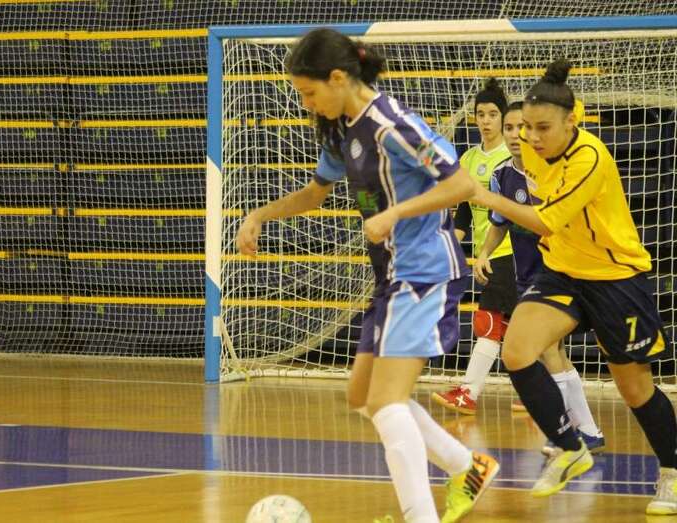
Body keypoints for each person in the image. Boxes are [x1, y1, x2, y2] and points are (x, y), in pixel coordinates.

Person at [236, 28, 498, 523]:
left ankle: (421, 515)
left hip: (425, 271)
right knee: (364, 397)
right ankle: (467, 466)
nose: (306, 104)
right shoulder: (341, 130)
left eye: (309, 93)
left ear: (338, 78)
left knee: (386, 402)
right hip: (392, 276)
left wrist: (395, 213)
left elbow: (462, 184)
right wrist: (258, 216)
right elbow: (315, 194)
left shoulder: (391, 124)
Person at [471, 59, 675, 513]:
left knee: (635, 390)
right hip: (562, 270)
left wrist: (482, 194)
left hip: (614, 277)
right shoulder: (532, 147)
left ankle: (672, 472)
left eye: (543, 128)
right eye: (526, 127)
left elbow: (545, 220)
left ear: (571, 122)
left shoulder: (589, 158)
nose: (532, 137)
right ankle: (570, 447)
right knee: (517, 351)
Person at [474, 101, 604, 455]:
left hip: (558, 273)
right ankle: (586, 430)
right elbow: (499, 223)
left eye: (522, 128)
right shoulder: (501, 175)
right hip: (526, 275)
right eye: (510, 128)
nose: (516, 135)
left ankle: (567, 434)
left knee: (546, 349)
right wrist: (484, 253)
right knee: (552, 352)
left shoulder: (551, 171)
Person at [432, 78, 519, 415]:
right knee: (519, 323)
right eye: (480, 114)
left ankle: (468, 393)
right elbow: (465, 212)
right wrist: (449, 247)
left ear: (504, 118)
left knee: (489, 320)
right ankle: (544, 394)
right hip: (487, 252)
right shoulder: (468, 158)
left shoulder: (512, 155)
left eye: (493, 114)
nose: (485, 120)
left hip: (511, 249)